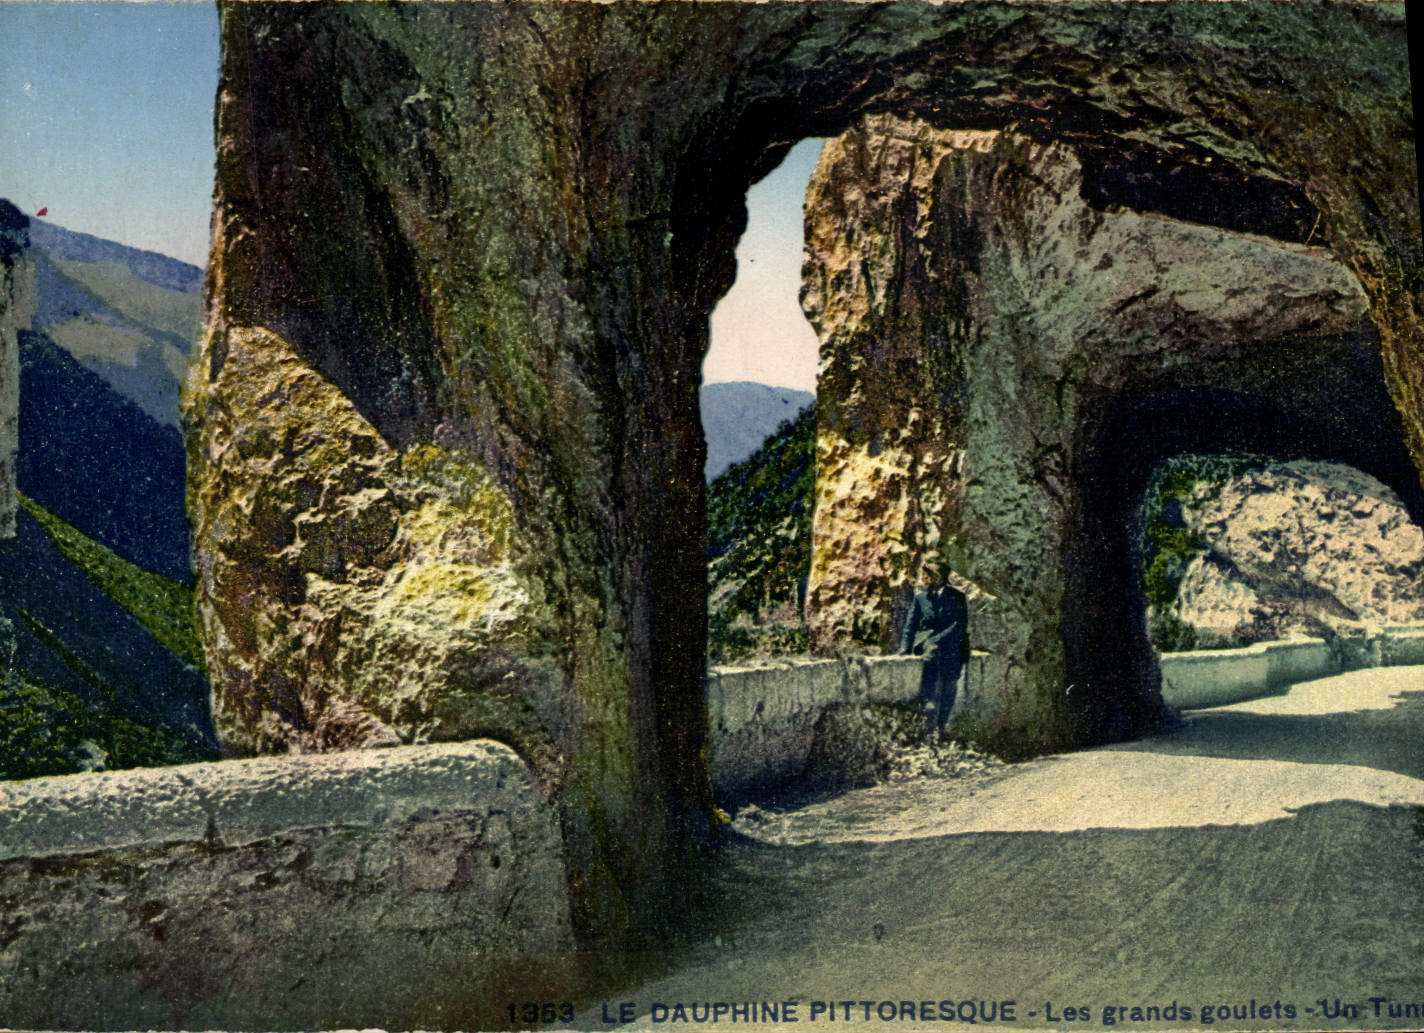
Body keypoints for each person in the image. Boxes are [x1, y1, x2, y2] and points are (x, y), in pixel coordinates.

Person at [899, 584, 968, 730]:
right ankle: (927, 705)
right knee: (931, 656)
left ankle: (942, 723)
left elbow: (958, 625)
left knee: (950, 683)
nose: (929, 579)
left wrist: (937, 640)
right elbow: (910, 626)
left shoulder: (957, 596)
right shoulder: (921, 598)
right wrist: (905, 648)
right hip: (926, 644)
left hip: (950, 644)